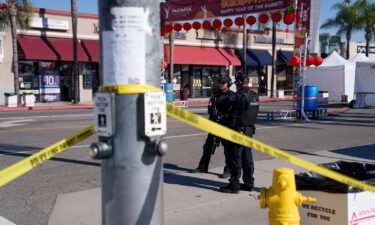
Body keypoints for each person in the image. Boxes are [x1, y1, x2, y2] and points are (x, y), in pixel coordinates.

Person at [219, 72, 259, 194]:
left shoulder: (238, 96)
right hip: (249, 130)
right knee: (247, 158)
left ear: (239, 83)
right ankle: (248, 183)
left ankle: (234, 185)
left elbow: (224, 104)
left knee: (235, 158)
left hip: (238, 131)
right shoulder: (254, 96)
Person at [191, 76, 234, 178]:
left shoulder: (231, 96)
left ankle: (228, 170)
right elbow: (211, 109)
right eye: (220, 82)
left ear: (228, 84)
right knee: (207, 146)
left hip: (225, 126)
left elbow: (232, 112)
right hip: (214, 124)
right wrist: (210, 107)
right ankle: (203, 167)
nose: (220, 84)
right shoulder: (216, 94)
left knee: (228, 149)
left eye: (223, 82)